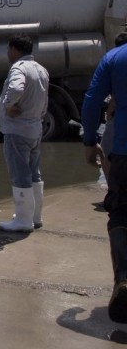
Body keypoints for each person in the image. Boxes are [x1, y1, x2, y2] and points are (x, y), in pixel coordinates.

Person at [81, 30, 127, 323]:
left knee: (121, 214)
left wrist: (89, 140)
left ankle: (123, 279)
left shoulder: (114, 58)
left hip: (124, 149)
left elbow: (91, 100)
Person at [0, 34, 49, 232]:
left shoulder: (19, 68)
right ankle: (34, 217)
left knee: (20, 174)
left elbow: (16, 88)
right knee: (34, 172)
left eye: (8, 49)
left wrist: (9, 105)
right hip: (35, 128)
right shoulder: (41, 69)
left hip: (17, 130)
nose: (7, 54)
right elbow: (45, 100)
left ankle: (22, 221)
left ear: (14, 49)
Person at [99, 32, 127, 181]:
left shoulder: (116, 60)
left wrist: (109, 113)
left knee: (104, 152)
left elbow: (115, 95)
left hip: (118, 118)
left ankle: (113, 191)